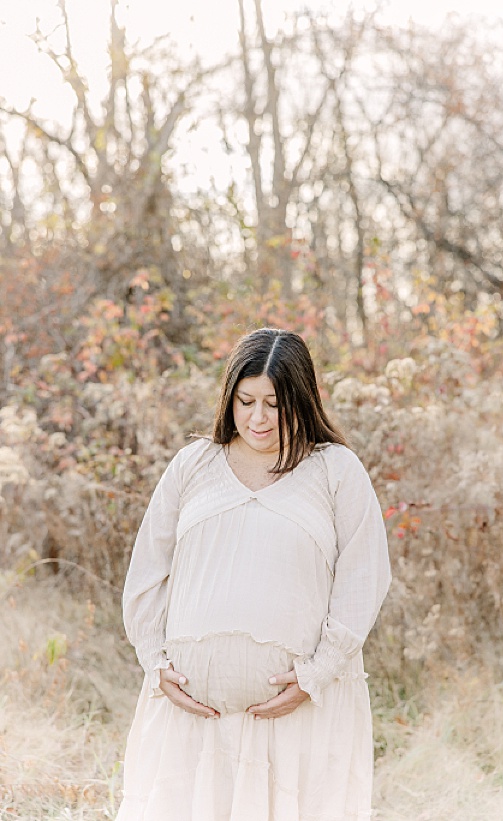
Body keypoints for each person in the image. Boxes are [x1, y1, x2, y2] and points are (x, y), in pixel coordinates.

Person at [117, 328, 391, 820]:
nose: (258, 418)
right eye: (246, 401)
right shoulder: (193, 465)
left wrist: (316, 674)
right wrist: (156, 665)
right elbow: (146, 572)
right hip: (193, 720)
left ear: (302, 401)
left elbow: (364, 577)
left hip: (298, 716)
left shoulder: (335, 470)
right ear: (229, 398)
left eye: (274, 404)